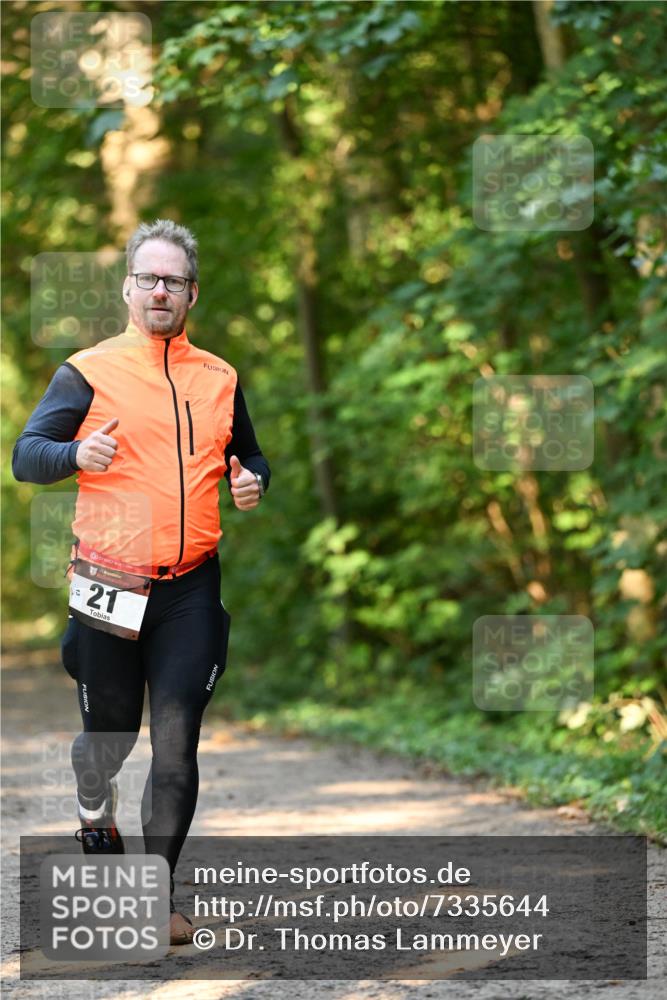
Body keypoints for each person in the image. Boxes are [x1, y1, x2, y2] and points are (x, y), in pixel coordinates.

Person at [12, 219, 270, 945]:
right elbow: (27, 456)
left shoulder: (219, 377)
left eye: (175, 281)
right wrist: (75, 453)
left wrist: (251, 482)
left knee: (176, 743)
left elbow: (250, 459)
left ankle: (154, 898)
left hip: (190, 587)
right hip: (111, 583)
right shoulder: (87, 371)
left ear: (192, 294)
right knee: (110, 738)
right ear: (128, 287)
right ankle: (94, 807)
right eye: (149, 278)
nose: (161, 290)